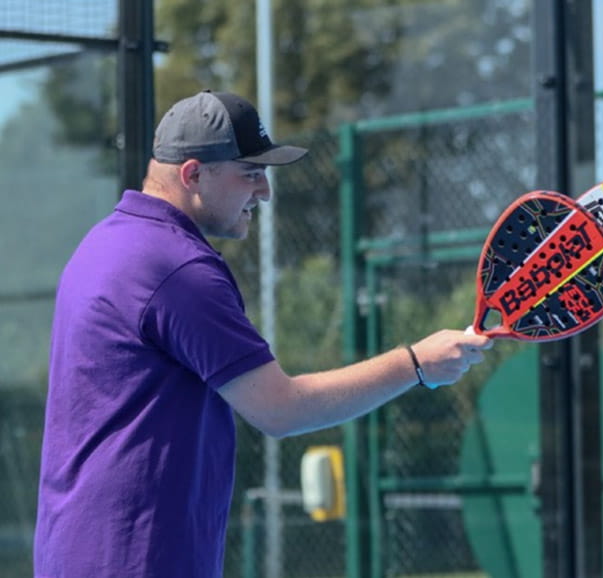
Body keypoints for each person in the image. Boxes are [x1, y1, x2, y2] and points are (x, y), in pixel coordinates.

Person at [33, 90, 492, 577]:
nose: (265, 192)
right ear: (193, 174)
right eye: (251, 174)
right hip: (136, 561)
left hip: (72, 553)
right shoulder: (177, 268)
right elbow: (281, 409)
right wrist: (416, 364)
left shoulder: (104, 242)